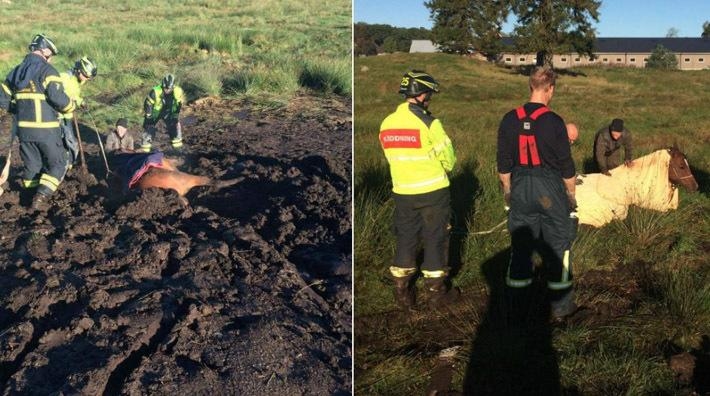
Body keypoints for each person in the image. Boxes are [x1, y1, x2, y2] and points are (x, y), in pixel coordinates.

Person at [496, 66, 577, 321]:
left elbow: (503, 165)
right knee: (558, 245)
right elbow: (566, 166)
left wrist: (509, 192)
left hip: (520, 186)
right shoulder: (554, 122)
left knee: (521, 245)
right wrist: (571, 197)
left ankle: (517, 306)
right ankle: (562, 308)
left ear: (530, 86)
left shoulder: (509, 119)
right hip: (550, 189)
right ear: (550, 89)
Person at [379, 70, 458, 309]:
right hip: (434, 191)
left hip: (402, 191)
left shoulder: (387, 122)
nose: (430, 98)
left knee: (406, 237)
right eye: (429, 94)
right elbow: (449, 160)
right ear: (421, 94)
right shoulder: (430, 123)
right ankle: (436, 295)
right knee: (435, 238)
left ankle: (403, 294)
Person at [2, 34, 75, 210]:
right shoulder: (48, 71)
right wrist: (70, 106)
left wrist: (19, 110)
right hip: (47, 130)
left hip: (24, 133)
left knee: (32, 167)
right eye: (51, 54)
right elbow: (58, 99)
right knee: (59, 163)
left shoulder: (15, 72)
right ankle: (40, 198)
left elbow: (3, 100)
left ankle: (27, 197)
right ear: (45, 51)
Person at [59, 56, 98, 168]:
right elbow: (57, 96)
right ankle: (64, 166)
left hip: (67, 116)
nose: (87, 79)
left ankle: (69, 165)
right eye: (86, 76)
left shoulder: (78, 80)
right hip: (58, 116)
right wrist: (71, 104)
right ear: (79, 70)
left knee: (70, 142)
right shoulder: (64, 78)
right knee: (68, 142)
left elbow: (74, 95)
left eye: (89, 78)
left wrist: (80, 102)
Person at [141, 74, 185, 152]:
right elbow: (148, 104)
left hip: (169, 111)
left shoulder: (178, 91)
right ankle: (145, 149)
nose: (167, 90)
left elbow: (179, 104)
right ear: (162, 85)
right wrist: (149, 116)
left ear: (173, 86)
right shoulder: (155, 91)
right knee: (149, 127)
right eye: (165, 88)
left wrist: (175, 115)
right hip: (155, 111)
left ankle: (177, 148)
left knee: (175, 126)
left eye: (169, 88)